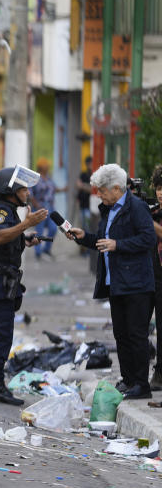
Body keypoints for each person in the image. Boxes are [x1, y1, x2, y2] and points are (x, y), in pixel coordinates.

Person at [66, 163, 156, 400]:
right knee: (121, 334)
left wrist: (119, 245)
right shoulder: (108, 210)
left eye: (103, 191)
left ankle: (141, 384)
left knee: (136, 335)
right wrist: (84, 237)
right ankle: (128, 379)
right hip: (116, 283)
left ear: (117, 188)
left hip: (137, 283)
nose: (99, 195)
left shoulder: (136, 207)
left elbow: (147, 239)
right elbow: (102, 241)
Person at [0, 165, 48, 405]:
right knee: (1, 335)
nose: (27, 193)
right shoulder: (0, 210)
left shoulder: (2, 209)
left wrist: (22, 238)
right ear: (11, 190)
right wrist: (25, 225)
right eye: (24, 189)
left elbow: (5, 236)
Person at [149, 166, 162, 391]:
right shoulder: (152, 211)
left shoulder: (151, 217)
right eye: (159, 188)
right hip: (152, 275)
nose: (161, 192)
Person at [77, 156, 94, 233]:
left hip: (90, 204)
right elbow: (78, 185)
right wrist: (85, 187)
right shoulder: (83, 174)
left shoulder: (94, 175)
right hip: (82, 203)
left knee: (88, 224)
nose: (89, 165)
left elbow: (92, 190)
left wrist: (83, 186)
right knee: (83, 224)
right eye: (88, 164)